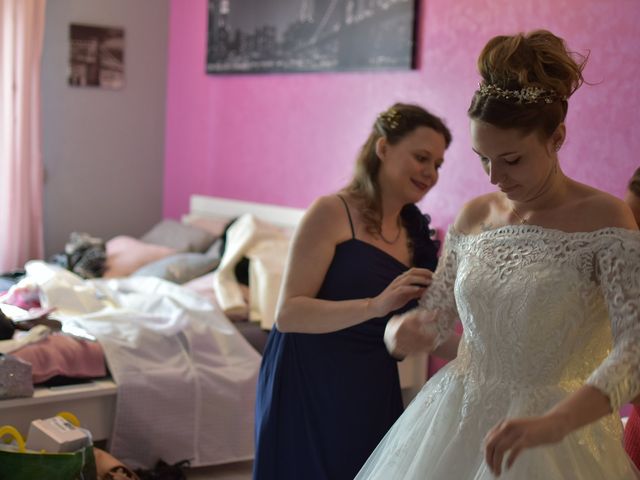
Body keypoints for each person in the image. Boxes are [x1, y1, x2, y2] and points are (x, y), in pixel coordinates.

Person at [355, 30, 640, 479]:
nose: (494, 177)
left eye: (511, 160)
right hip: (454, 416)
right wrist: (400, 331)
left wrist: (556, 422)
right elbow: (436, 319)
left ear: (557, 137)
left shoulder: (606, 219)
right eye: (482, 158)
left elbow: (635, 349)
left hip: (557, 437)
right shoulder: (475, 216)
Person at [252, 103, 458, 480]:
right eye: (421, 157)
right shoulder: (331, 212)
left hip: (371, 381)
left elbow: (426, 327)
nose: (430, 173)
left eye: (438, 164)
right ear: (383, 148)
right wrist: (376, 305)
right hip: (308, 376)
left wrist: (490, 352)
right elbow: (289, 313)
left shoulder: (419, 240)